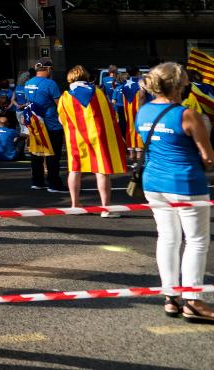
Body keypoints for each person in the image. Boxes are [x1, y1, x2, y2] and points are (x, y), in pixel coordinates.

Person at [136, 62, 214, 322]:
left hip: (153, 182)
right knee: (196, 240)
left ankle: (171, 297)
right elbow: (208, 157)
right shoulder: (187, 114)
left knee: (168, 237)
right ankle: (193, 300)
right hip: (185, 182)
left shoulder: (143, 111)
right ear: (180, 85)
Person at [57, 65, 128, 216]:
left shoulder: (65, 97)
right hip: (98, 137)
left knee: (75, 170)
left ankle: (75, 205)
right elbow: (111, 114)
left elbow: (61, 119)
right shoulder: (97, 92)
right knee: (101, 170)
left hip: (76, 138)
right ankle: (105, 208)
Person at [22, 59, 65, 193]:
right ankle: (54, 184)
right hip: (51, 124)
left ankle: (37, 181)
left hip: (34, 124)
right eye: (50, 69)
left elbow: (28, 102)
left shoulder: (28, 83)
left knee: (36, 154)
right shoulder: (50, 83)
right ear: (47, 69)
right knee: (53, 156)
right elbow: (59, 104)